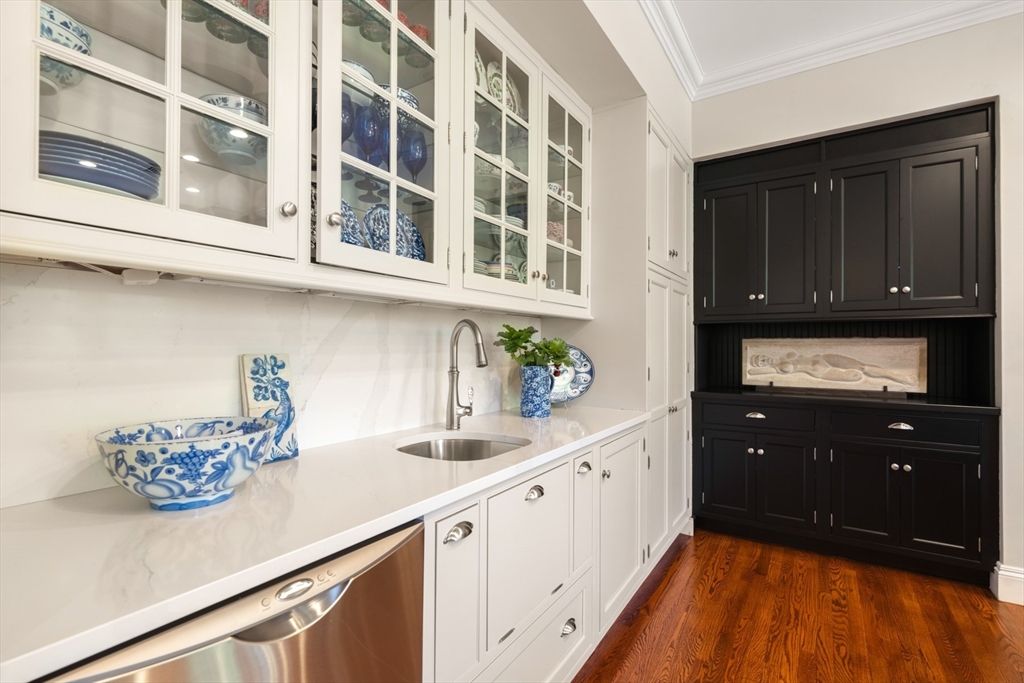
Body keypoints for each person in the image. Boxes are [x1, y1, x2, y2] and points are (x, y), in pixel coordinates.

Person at [748, 351, 916, 387]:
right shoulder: (776, 368)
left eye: (762, 357)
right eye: (762, 362)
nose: (765, 360)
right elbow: (750, 372)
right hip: (821, 372)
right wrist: (760, 368)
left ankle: (899, 377)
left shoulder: (784, 354)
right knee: (855, 377)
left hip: (823, 358)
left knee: (862, 366)